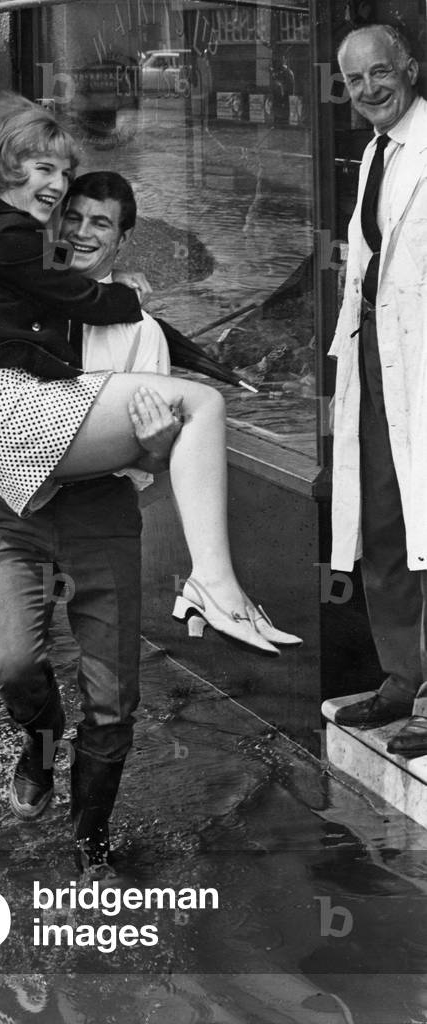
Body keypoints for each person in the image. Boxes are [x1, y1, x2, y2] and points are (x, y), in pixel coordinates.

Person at [0, 94, 301, 868]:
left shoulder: (137, 330)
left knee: (114, 700)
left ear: (121, 241)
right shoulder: (17, 284)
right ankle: (39, 747)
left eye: (99, 225)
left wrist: (151, 446)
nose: (80, 230)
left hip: (102, 516)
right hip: (14, 511)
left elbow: (157, 465)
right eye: (70, 215)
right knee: (17, 666)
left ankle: (90, 843)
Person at [329, 25, 427, 757]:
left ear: (411, 70)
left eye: (380, 73)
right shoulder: (372, 153)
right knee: (386, 522)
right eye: (355, 80)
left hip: (422, 362)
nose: (369, 90)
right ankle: (401, 678)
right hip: (374, 360)